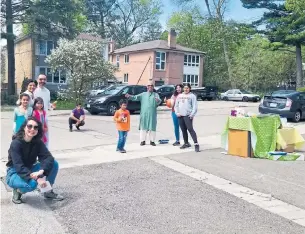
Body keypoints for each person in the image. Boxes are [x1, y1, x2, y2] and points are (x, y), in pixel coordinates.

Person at [6, 117, 64, 204]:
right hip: (15, 171)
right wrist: (38, 178)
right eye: (29, 126)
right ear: (24, 127)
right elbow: (19, 167)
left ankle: (47, 191)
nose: (32, 129)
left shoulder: (37, 142)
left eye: (35, 127)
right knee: (32, 184)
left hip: (29, 168)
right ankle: (17, 190)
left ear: (38, 130)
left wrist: (42, 170)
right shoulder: (16, 143)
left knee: (54, 164)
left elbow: (48, 157)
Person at [126, 81, 161, 146]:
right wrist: (129, 96)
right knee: (143, 127)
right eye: (149, 85)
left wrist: (158, 101)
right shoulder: (143, 94)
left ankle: (152, 141)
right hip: (144, 114)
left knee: (152, 127)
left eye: (151, 85)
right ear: (147, 87)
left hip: (152, 114)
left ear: (153, 87)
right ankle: (142, 141)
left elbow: (159, 102)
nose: (150, 87)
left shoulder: (156, 95)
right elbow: (135, 97)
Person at [174, 83, 200, 152]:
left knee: (190, 129)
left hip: (188, 116)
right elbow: (176, 105)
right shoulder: (180, 96)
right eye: (185, 88)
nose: (186, 89)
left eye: (187, 88)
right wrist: (177, 113)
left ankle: (196, 144)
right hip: (180, 116)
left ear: (190, 88)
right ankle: (186, 143)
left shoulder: (192, 96)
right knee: (183, 130)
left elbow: (195, 107)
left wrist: (192, 114)